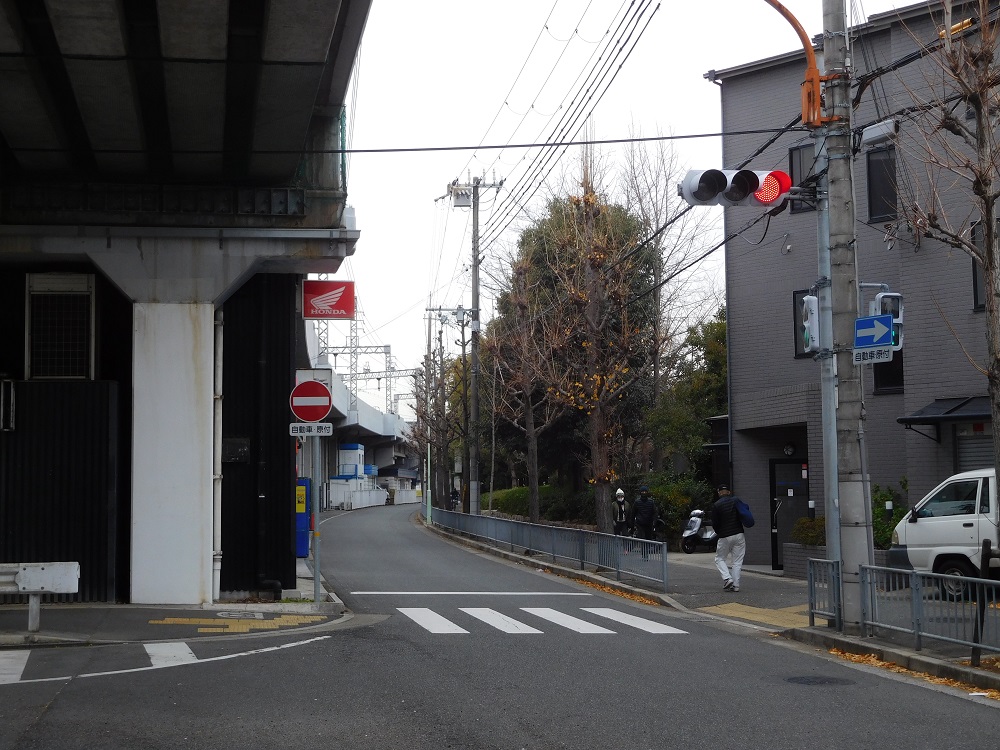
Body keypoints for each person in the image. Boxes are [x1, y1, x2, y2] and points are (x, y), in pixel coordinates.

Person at [711, 484, 746, 592]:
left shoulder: (716, 505)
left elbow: (715, 523)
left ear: (719, 493)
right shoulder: (736, 501)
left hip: (725, 535)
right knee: (737, 561)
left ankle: (727, 578)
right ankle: (736, 585)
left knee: (719, 558)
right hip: (739, 534)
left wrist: (719, 532)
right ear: (729, 492)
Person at [632, 486, 657, 558]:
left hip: (648, 523)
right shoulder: (637, 502)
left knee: (648, 538)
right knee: (642, 538)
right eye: (642, 492)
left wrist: (654, 522)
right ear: (640, 493)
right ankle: (644, 555)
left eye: (645, 492)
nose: (644, 493)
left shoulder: (651, 502)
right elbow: (633, 513)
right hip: (640, 523)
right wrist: (632, 524)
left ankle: (645, 553)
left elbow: (655, 512)